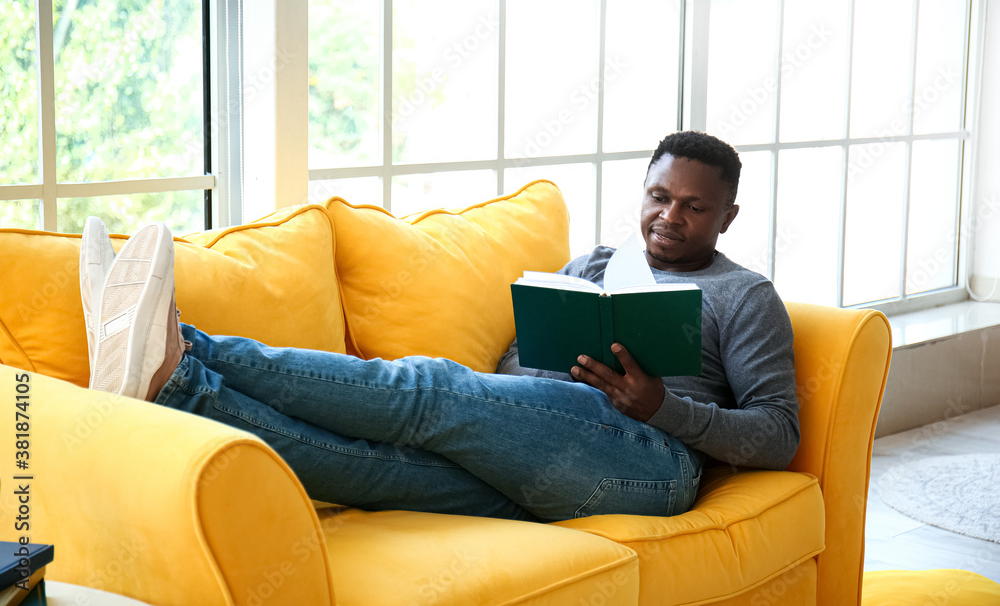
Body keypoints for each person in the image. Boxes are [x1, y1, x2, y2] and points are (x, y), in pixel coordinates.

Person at [80, 130, 798, 524]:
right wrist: (535, 379)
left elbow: (779, 430)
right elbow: (519, 352)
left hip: (653, 463)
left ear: (726, 217)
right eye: (659, 195)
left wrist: (659, 406)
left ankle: (179, 339)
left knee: (429, 390)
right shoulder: (596, 262)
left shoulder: (743, 294)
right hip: (545, 445)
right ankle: (179, 385)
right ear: (643, 191)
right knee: (369, 466)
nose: (669, 216)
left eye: (693, 207)